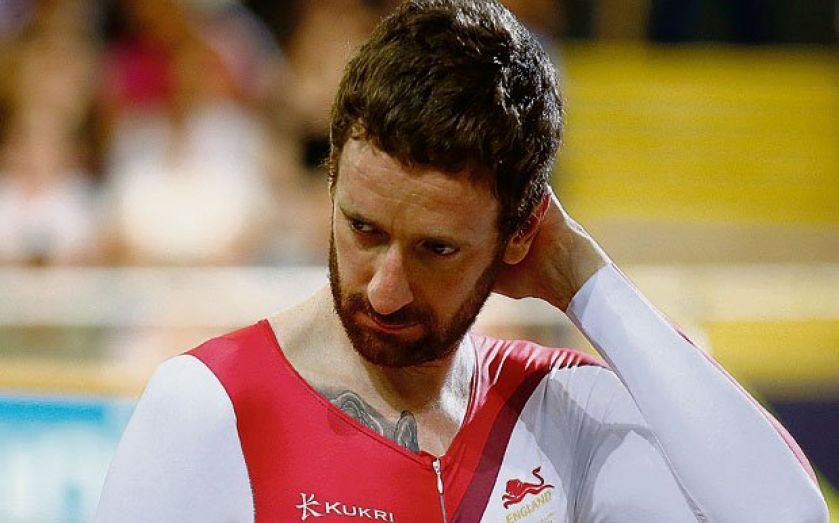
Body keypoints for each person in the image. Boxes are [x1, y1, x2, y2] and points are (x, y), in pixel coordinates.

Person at [95, 1, 829, 521]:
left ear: (519, 236)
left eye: (436, 250)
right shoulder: (213, 404)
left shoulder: (558, 412)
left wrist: (584, 279)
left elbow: (785, 515)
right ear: (332, 178)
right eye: (363, 229)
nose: (384, 290)